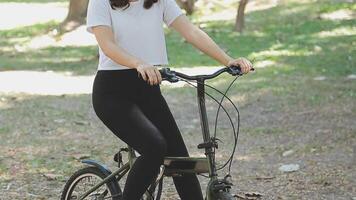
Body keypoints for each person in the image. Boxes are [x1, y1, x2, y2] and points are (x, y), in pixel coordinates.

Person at [86, 0, 253, 199]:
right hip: (112, 93)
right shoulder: (100, 2)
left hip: (148, 88)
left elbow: (191, 31)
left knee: (181, 162)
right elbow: (107, 44)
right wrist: (138, 63)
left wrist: (228, 60)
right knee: (154, 147)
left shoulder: (160, 1)